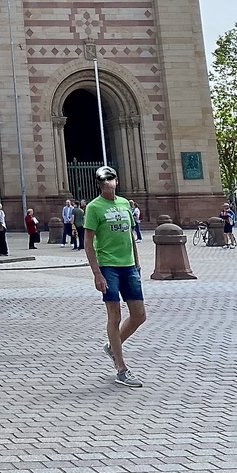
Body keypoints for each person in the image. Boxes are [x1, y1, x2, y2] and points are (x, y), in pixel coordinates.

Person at [84, 166, 146, 388]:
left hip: (128, 266)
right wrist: (97, 273)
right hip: (108, 266)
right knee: (115, 315)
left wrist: (137, 263)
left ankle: (112, 345)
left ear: (117, 181)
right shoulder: (93, 208)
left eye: (110, 180)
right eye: (103, 181)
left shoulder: (124, 204)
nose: (107, 184)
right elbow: (88, 242)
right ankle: (121, 368)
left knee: (139, 315)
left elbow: (129, 235)